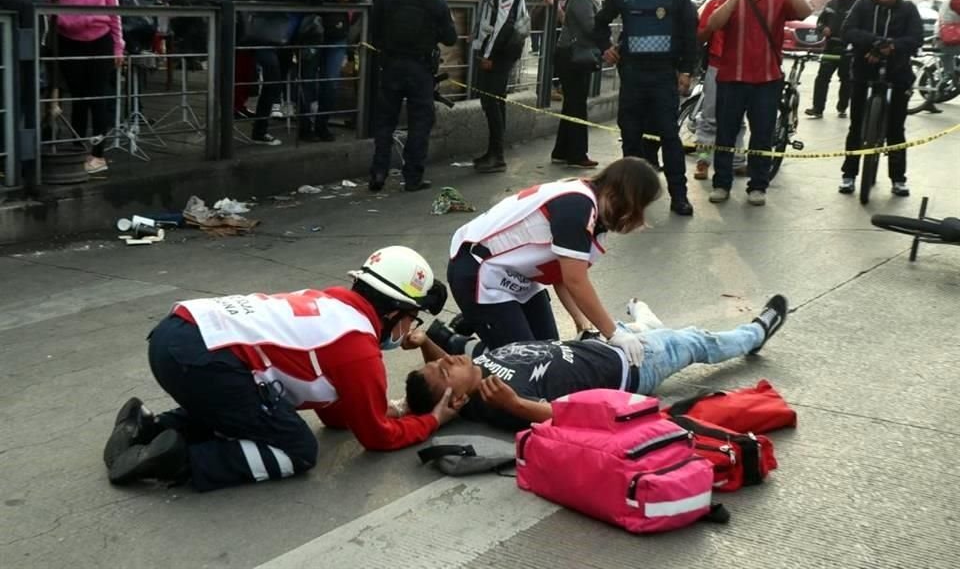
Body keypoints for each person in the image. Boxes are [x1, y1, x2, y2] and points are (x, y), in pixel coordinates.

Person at [102, 246, 460, 491]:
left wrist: (385, 409)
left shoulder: (330, 304)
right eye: (411, 317)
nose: (409, 328)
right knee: (297, 449)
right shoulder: (359, 347)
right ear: (394, 311)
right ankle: (180, 461)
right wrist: (430, 421)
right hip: (205, 361)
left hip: (176, 334)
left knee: (251, 408)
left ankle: (148, 426)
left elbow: (335, 416)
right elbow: (377, 438)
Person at [406, 295, 788, 431]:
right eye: (443, 370)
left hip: (599, 343)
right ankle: (754, 334)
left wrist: (426, 344)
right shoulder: (498, 400)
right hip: (636, 367)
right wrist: (515, 405)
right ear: (457, 402)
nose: (447, 361)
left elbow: (445, 371)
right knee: (697, 341)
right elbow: (560, 417)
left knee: (641, 330)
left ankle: (644, 324)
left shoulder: (476, 373)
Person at [445, 158, 661, 371]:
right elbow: (575, 280)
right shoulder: (579, 206)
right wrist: (614, 334)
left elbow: (561, 274)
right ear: (627, 198)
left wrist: (582, 322)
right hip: (479, 270)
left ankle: (488, 326)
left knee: (552, 357)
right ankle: (456, 343)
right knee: (528, 367)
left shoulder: (594, 210)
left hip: (516, 275)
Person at [593, 0, 698, 216]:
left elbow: (690, 33)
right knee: (631, 137)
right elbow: (599, 23)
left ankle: (679, 196)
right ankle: (631, 198)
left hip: (664, 76)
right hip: (633, 76)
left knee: (669, 137)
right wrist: (606, 47)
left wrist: (686, 70)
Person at [705, 0, 812, 207]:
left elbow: (806, 10)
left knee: (762, 134)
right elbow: (712, 25)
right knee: (726, 134)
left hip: (767, 79)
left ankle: (758, 186)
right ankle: (721, 183)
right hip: (732, 77)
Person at [368, 0, 457, 192]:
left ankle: (378, 172)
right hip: (421, 69)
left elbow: (374, 36)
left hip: (390, 67)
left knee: (385, 121)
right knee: (420, 122)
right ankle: (412, 178)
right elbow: (450, 38)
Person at [838, 0, 922, 198]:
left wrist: (890, 47)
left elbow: (916, 38)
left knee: (896, 128)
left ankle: (898, 179)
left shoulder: (908, 9)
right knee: (856, 125)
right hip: (864, 71)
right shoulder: (862, 6)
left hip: (898, 73)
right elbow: (847, 31)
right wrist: (875, 42)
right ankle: (849, 175)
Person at [55, 0, 123, 175]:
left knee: (98, 98)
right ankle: (76, 150)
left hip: (100, 40)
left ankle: (98, 153)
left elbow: (115, 13)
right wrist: (65, 22)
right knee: (79, 99)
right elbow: (51, 10)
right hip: (70, 42)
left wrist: (118, 45)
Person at [0, 0, 61, 185]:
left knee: (24, 104)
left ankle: (18, 161)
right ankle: (11, 163)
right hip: (14, 50)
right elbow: (24, 6)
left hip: (29, 50)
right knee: (14, 104)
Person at [249, 0, 323, 146]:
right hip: (265, 39)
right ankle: (259, 130)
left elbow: (319, 0)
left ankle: (260, 129)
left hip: (286, 41)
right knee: (272, 79)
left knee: (277, 83)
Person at [471, 0, 529, 174]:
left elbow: (504, 20)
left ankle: (498, 155)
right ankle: (494, 152)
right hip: (495, 48)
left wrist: (489, 55)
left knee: (492, 101)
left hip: (500, 51)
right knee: (492, 101)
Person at [693, 0, 747, 181]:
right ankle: (703, 160)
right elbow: (701, 34)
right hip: (717, 64)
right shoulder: (717, 2)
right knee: (709, 116)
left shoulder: (753, 5)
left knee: (739, 119)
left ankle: (737, 160)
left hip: (742, 68)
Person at [305, 0, 359, 142]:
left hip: (337, 31)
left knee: (330, 81)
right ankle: (305, 125)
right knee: (308, 80)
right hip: (314, 31)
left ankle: (322, 124)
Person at [550, 0, 606, 168]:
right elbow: (591, 27)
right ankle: (577, 154)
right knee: (577, 105)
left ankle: (562, 150)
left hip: (573, 56)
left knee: (572, 103)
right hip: (572, 57)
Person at [805, 0, 858, 119]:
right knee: (822, 77)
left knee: (847, 79)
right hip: (830, 47)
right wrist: (823, 29)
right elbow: (820, 22)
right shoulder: (831, 4)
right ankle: (817, 108)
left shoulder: (858, 5)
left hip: (848, 49)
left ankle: (842, 106)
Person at [936, 0, 960, 93]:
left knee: (948, 57)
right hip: (950, 38)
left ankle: (951, 74)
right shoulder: (955, 0)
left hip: (943, 36)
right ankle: (950, 75)